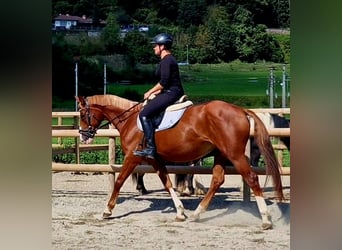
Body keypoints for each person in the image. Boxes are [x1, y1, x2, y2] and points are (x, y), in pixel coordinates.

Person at [133, 33, 185, 159]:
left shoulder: (167, 60)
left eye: (155, 45)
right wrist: (155, 93)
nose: (154, 48)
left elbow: (164, 82)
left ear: (162, 46)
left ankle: (151, 148)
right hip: (169, 91)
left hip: (172, 93)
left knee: (144, 114)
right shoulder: (166, 60)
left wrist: (150, 91)